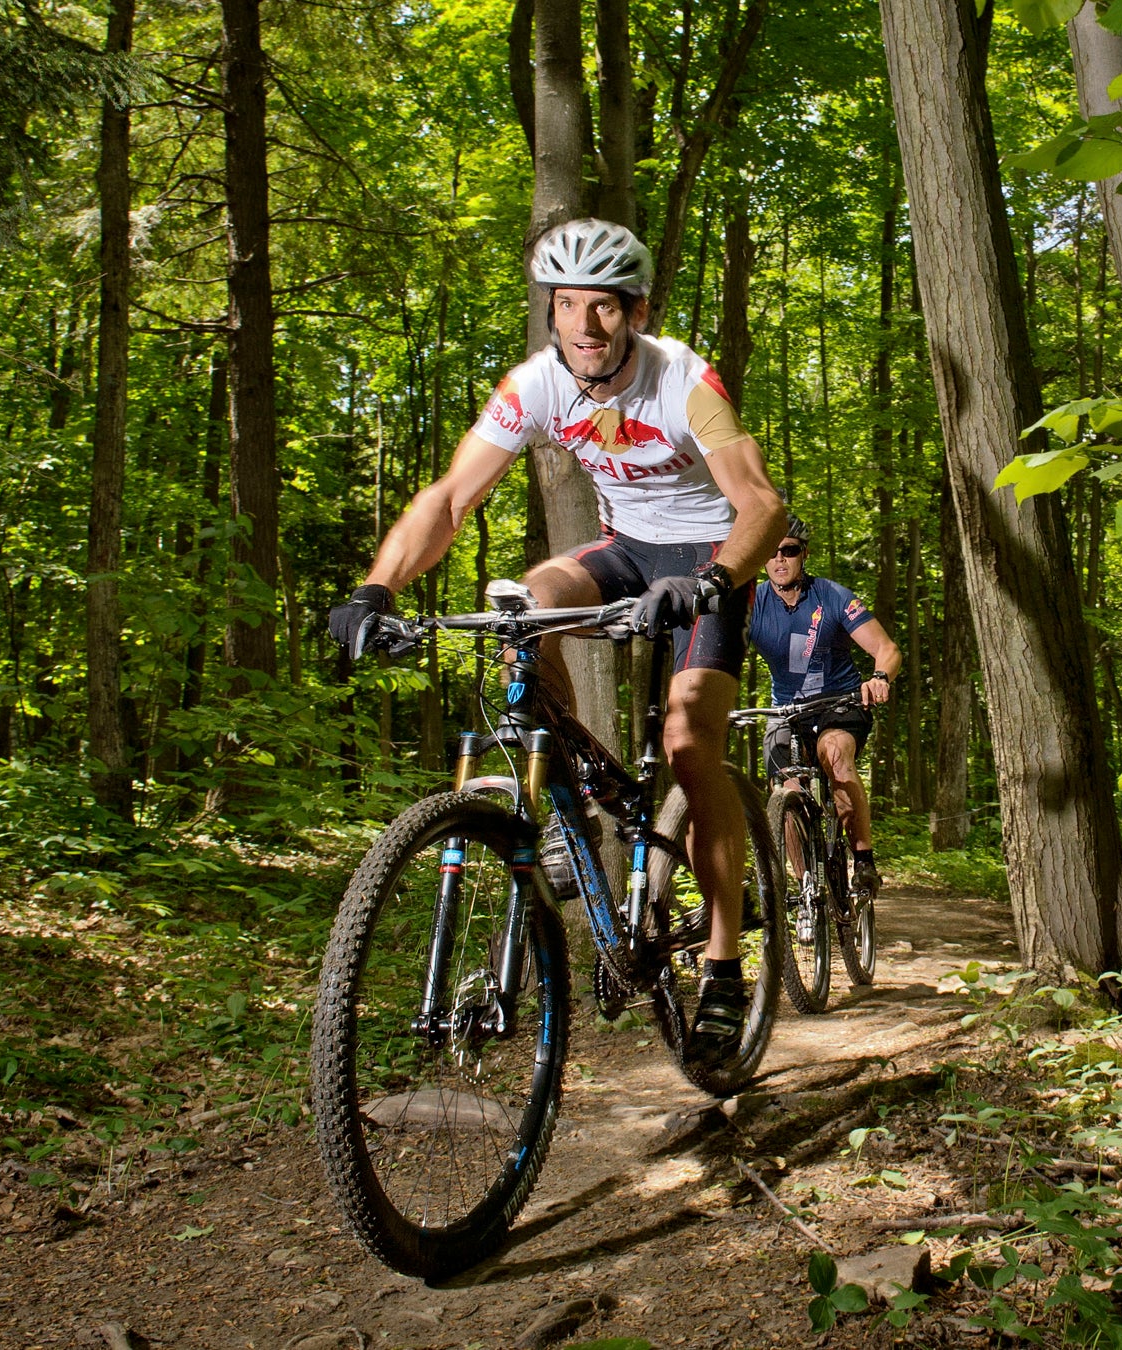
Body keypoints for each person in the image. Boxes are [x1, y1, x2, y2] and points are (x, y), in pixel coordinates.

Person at [326, 218, 787, 1066]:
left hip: (709, 556)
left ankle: (724, 968)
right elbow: (450, 498)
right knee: (525, 604)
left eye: (603, 306)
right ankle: (569, 808)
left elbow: (761, 503)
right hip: (624, 548)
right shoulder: (537, 384)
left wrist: (716, 578)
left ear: (635, 312)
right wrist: (375, 588)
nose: (584, 324)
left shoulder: (683, 380)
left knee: (691, 745)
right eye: (567, 304)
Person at [747, 516, 901, 900]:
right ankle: (807, 891)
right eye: (770, 552)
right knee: (784, 788)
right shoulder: (752, 602)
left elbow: (886, 648)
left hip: (840, 701)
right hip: (787, 708)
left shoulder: (832, 596)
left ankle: (863, 861)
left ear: (804, 554)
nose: (779, 559)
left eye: (789, 550)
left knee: (834, 754)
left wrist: (879, 677)